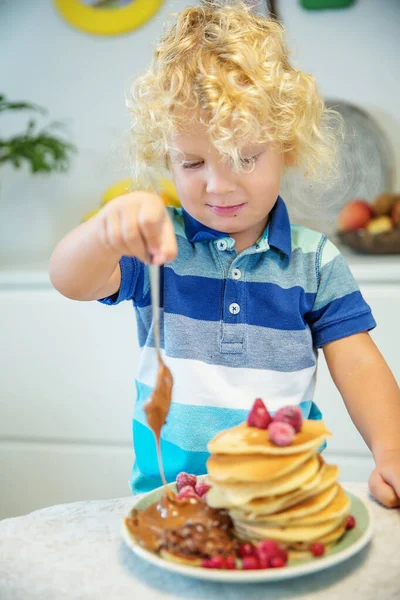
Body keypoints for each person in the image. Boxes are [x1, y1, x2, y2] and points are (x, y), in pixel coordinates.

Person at [49, 1, 400, 506]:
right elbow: (69, 280)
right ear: (165, 155)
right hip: (170, 499)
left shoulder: (316, 261)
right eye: (192, 162)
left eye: (243, 157)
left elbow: (361, 367)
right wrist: (105, 231)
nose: (218, 185)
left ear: (288, 146)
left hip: (285, 497)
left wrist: (390, 450)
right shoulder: (156, 246)